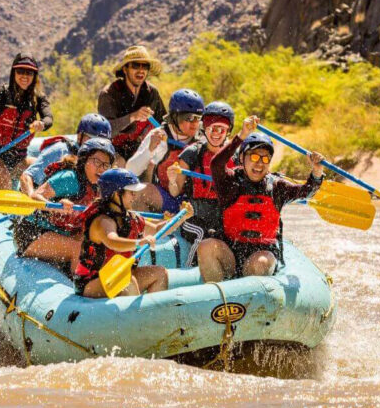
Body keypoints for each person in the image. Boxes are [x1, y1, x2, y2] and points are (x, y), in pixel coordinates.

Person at [196, 117, 325, 282]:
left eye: (265, 159)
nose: (259, 164)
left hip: (261, 255)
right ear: (242, 158)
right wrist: (242, 135)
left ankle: (250, 302)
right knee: (206, 246)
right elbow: (216, 164)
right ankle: (217, 300)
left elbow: (306, 192)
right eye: (254, 157)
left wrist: (316, 172)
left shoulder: (277, 187)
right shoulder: (230, 182)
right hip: (231, 254)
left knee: (261, 263)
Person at [73, 168, 192, 298]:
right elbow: (112, 241)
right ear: (116, 194)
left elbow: (157, 230)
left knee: (159, 273)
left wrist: (181, 218)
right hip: (92, 282)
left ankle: (153, 313)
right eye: (131, 193)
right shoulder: (102, 221)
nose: (135, 196)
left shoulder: (131, 217)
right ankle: (139, 316)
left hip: (119, 276)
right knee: (128, 282)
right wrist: (138, 242)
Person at [12, 139, 116, 270]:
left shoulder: (98, 188)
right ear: (84, 160)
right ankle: (80, 287)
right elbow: (35, 197)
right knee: (78, 249)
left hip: (61, 234)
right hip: (32, 232)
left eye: (106, 165)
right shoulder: (69, 178)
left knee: (94, 245)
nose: (101, 168)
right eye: (96, 162)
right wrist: (54, 205)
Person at [166, 101, 235, 265]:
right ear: (205, 129)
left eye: (221, 129)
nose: (216, 133)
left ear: (228, 131)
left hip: (221, 214)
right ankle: (190, 271)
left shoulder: (236, 155)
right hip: (194, 214)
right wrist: (172, 179)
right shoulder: (192, 153)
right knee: (203, 234)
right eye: (212, 128)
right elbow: (175, 192)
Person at [0, 53, 53, 189]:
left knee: (45, 169)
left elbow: (49, 118)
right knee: (4, 177)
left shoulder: (38, 99)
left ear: (34, 76)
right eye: (20, 71)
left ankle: (39, 207)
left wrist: (42, 123)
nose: (25, 76)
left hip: (17, 161)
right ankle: (5, 211)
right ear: (13, 72)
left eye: (29, 73)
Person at [97, 45, 166, 164]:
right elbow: (105, 131)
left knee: (153, 162)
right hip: (112, 149)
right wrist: (132, 117)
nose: (141, 70)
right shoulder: (109, 94)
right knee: (120, 163)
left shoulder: (152, 93)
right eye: (135, 65)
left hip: (141, 148)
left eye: (145, 66)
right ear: (125, 69)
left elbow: (163, 122)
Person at [19, 113, 111, 195]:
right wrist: (32, 198)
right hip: (41, 198)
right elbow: (26, 176)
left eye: (103, 142)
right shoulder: (60, 150)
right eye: (93, 139)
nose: (98, 145)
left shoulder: (102, 162)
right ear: (79, 136)